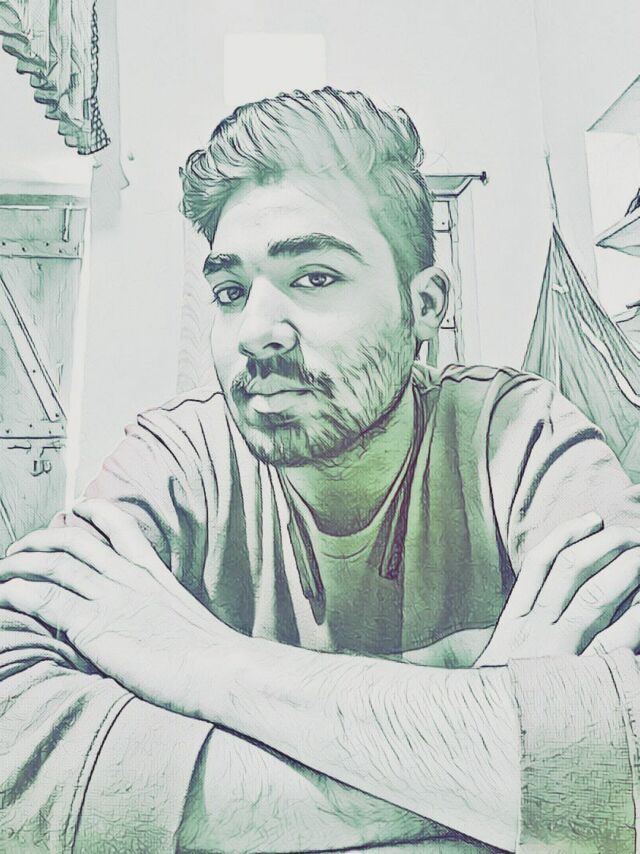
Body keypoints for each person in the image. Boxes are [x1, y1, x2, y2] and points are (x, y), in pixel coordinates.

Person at [1, 86, 640, 854]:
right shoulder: (176, 457)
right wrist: (478, 729)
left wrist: (200, 662)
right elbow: (13, 746)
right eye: (230, 291)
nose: (257, 331)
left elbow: (631, 754)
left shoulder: (517, 435)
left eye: (314, 277)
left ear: (424, 306)